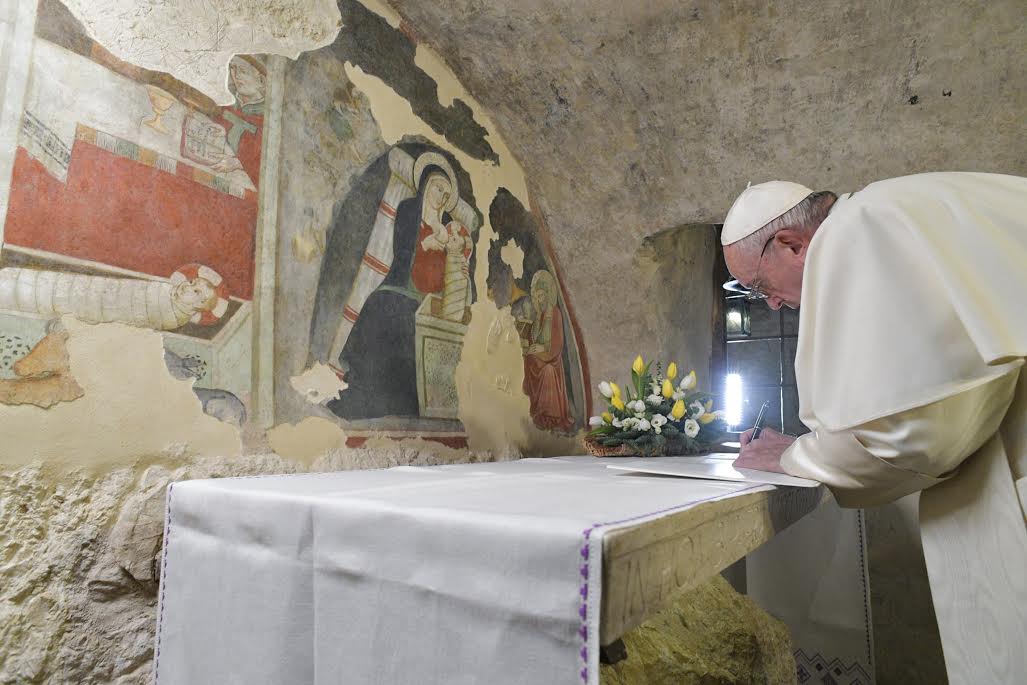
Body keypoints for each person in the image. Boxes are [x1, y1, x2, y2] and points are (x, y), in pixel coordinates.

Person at [720, 173, 1027, 683]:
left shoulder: (860, 232)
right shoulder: (896, 207)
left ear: (792, 245)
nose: (770, 303)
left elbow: (914, 436)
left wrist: (794, 457)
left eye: (759, 285)